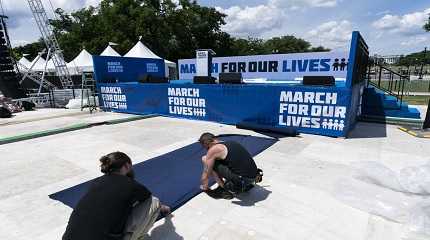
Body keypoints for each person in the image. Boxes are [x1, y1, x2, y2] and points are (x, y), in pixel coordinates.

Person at [62, 151, 171, 240]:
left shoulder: (96, 182)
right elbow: (148, 198)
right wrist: (163, 208)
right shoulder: (132, 185)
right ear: (127, 166)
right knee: (154, 202)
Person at [198, 133, 263, 199]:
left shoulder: (214, 149)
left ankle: (224, 189)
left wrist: (205, 187)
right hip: (254, 176)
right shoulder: (230, 143)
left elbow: (206, 174)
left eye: (206, 148)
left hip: (243, 181)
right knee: (218, 160)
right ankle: (246, 183)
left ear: (206, 144)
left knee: (205, 159)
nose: (207, 150)